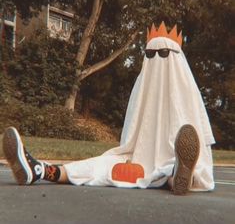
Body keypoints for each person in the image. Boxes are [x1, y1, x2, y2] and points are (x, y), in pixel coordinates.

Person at [2, 22, 215, 195]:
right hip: (136, 160)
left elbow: (198, 138)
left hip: (167, 160)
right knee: (100, 165)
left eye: (163, 53)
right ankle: (39, 170)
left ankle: (178, 174)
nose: (155, 60)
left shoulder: (185, 92)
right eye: (150, 55)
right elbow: (131, 137)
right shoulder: (142, 89)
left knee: (174, 167)